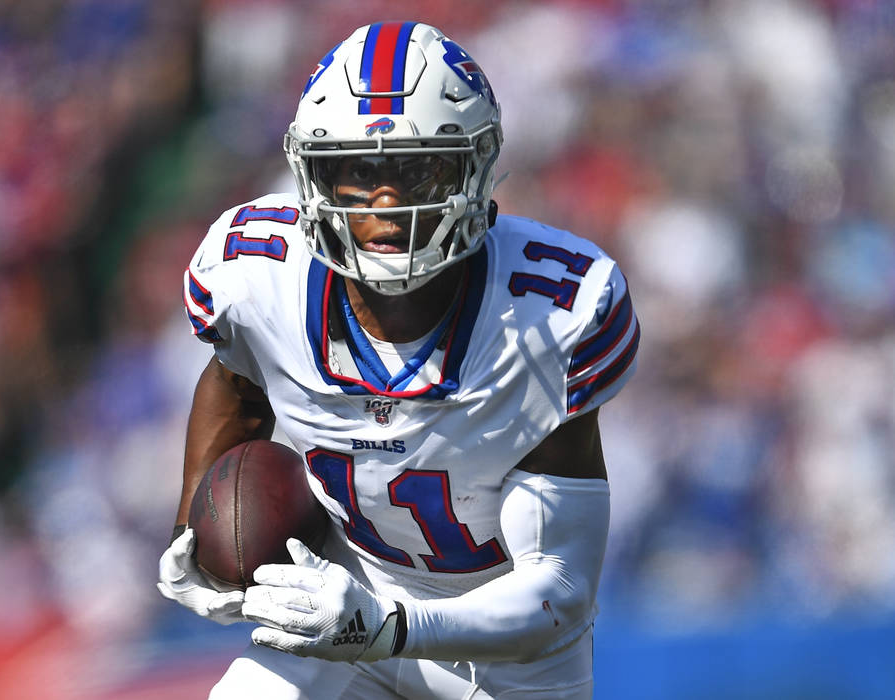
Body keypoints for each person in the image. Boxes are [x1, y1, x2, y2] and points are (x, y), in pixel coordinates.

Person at [157, 20, 639, 699]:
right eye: (358, 170)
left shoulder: (551, 313)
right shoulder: (257, 275)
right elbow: (237, 385)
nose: (387, 201)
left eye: (416, 168)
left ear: (475, 166)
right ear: (312, 173)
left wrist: (386, 626)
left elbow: (557, 595)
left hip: (502, 657)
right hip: (344, 604)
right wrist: (192, 527)